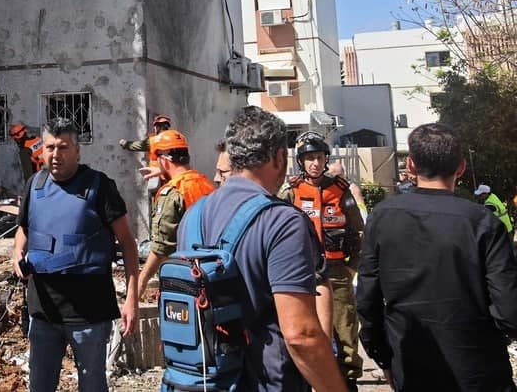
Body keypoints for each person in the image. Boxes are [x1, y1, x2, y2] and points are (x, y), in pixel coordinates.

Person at [179, 106, 345, 392]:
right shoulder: (283, 221)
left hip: (199, 380)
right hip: (266, 382)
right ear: (279, 158)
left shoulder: (193, 215)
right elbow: (300, 335)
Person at [357, 123, 517, 391]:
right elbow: (509, 310)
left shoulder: (381, 217)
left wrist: (383, 356)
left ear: (410, 165)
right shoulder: (483, 222)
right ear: (461, 167)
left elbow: (367, 300)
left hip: (411, 365)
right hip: (478, 368)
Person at [13, 118, 140, 392]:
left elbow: (128, 243)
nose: (55, 154)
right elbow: (24, 229)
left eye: (63, 147)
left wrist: (132, 299)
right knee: (40, 386)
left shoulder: (99, 186)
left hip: (89, 312)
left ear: (77, 150)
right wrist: (16, 253)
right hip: (43, 310)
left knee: (93, 385)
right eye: (49, 147)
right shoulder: (34, 185)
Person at [279, 133, 364, 390]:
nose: (315, 163)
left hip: (337, 271)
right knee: (302, 329)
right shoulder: (291, 192)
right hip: (302, 272)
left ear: (326, 159)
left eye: (318, 157)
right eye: (309, 158)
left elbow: (358, 232)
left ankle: (347, 380)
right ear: (301, 162)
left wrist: (351, 267)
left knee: (345, 328)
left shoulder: (340, 190)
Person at [136, 128, 215, 299]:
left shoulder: (172, 193)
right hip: (210, 273)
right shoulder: (206, 184)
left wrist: (141, 281)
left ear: (164, 161)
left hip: (185, 279)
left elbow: (161, 249)